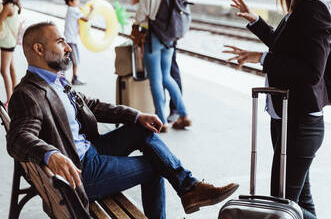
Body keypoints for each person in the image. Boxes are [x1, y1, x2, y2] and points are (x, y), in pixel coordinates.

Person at [6, 21, 239, 218]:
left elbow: (92, 105)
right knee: (156, 166)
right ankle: (189, 189)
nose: (68, 47)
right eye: (60, 42)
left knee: (143, 130)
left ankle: (190, 187)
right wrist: (50, 154)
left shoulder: (56, 79)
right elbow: (17, 138)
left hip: (90, 151)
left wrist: (136, 116)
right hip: (82, 173)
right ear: (38, 49)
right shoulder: (28, 94)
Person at [224, 0, 331, 218]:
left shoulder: (314, 10)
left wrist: (262, 58)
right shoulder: (302, 8)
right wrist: (255, 21)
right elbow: (284, 46)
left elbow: (312, 71)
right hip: (286, 120)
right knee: (298, 203)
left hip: (301, 123)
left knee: (281, 204)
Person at [132, 0, 191, 132]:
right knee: (167, 76)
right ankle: (184, 114)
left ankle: (162, 121)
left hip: (154, 37)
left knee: (155, 80)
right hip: (169, 38)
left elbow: (140, 16)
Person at [63, 0, 93, 85]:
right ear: (71, 2)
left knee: (65, 59)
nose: (78, 1)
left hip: (68, 39)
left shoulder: (71, 9)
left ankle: (63, 78)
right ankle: (74, 78)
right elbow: (86, 19)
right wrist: (92, 10)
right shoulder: (74, 10)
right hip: (71, 40)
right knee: (75, 61)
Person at [0, 0, 21, 109]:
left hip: (6, 42)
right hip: (11, 41)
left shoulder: (7, 7)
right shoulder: (14, 6)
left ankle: (9, 101)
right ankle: (15, 96)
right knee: (11, 67)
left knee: (4, 70)